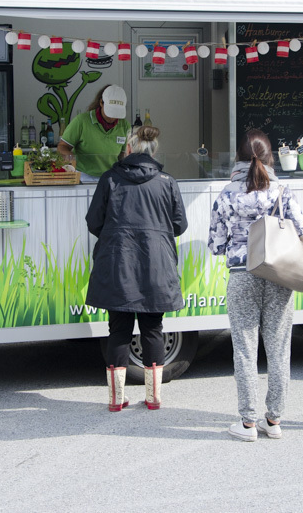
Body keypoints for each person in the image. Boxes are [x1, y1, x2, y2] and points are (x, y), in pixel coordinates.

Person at [208, 128, 303, 441]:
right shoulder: (282, 192)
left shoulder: (227, 194)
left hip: (242, 274)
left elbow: (215, 244)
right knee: (279, 349)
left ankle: (248, 422)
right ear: (270, 157)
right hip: (279, 274)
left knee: (245, 350)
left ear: (239, 156)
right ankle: (274, 420)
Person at [85, 125, 188, 411]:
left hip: (117, 262)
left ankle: (116, 399)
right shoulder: (166, 181)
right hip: (157, 264)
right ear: (153, 151)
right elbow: (180, 225)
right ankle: (153, 398)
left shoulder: (109, 180)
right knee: (153, 328)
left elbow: (94, 221)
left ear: (128, 149)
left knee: (118, 329)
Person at [58, 84, 131, 181]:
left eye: (117, 113)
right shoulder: (81, 121)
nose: (113, 117)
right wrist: (69, 156)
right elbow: (62, 146)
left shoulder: (124, 125)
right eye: (110, 112)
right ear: (101, 103)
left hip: (111, 176)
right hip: (84, 176)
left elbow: (123, 155)